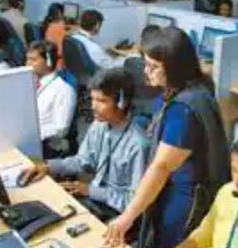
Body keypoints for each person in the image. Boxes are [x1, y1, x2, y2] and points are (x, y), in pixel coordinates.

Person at [104, 27, 230, 248]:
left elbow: (161, 168)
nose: (145, 71)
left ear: (174, 67)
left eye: (152, 66)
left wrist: (126, 217)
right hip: (181, 188)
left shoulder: (183, 110)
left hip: (185, 199)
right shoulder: (194, 88)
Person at [19, 67, 149, 222]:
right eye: (92, 99)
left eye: (101, 101)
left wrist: (91, 191)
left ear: (122, 102)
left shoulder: (137, 145)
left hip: (119, 215)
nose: (93, 106)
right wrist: (48, 167)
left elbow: (134, 203)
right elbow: (82, 161)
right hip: (95, 201)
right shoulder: (99, 125)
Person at [25, 40, 77, 157]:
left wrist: (32, 135)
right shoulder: (29, 83)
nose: (27, 64)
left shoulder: (63, 90)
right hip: (30, 139)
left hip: (47, 145)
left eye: (33, 60)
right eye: (27, 59)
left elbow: (61, 129)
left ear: (48, 61)